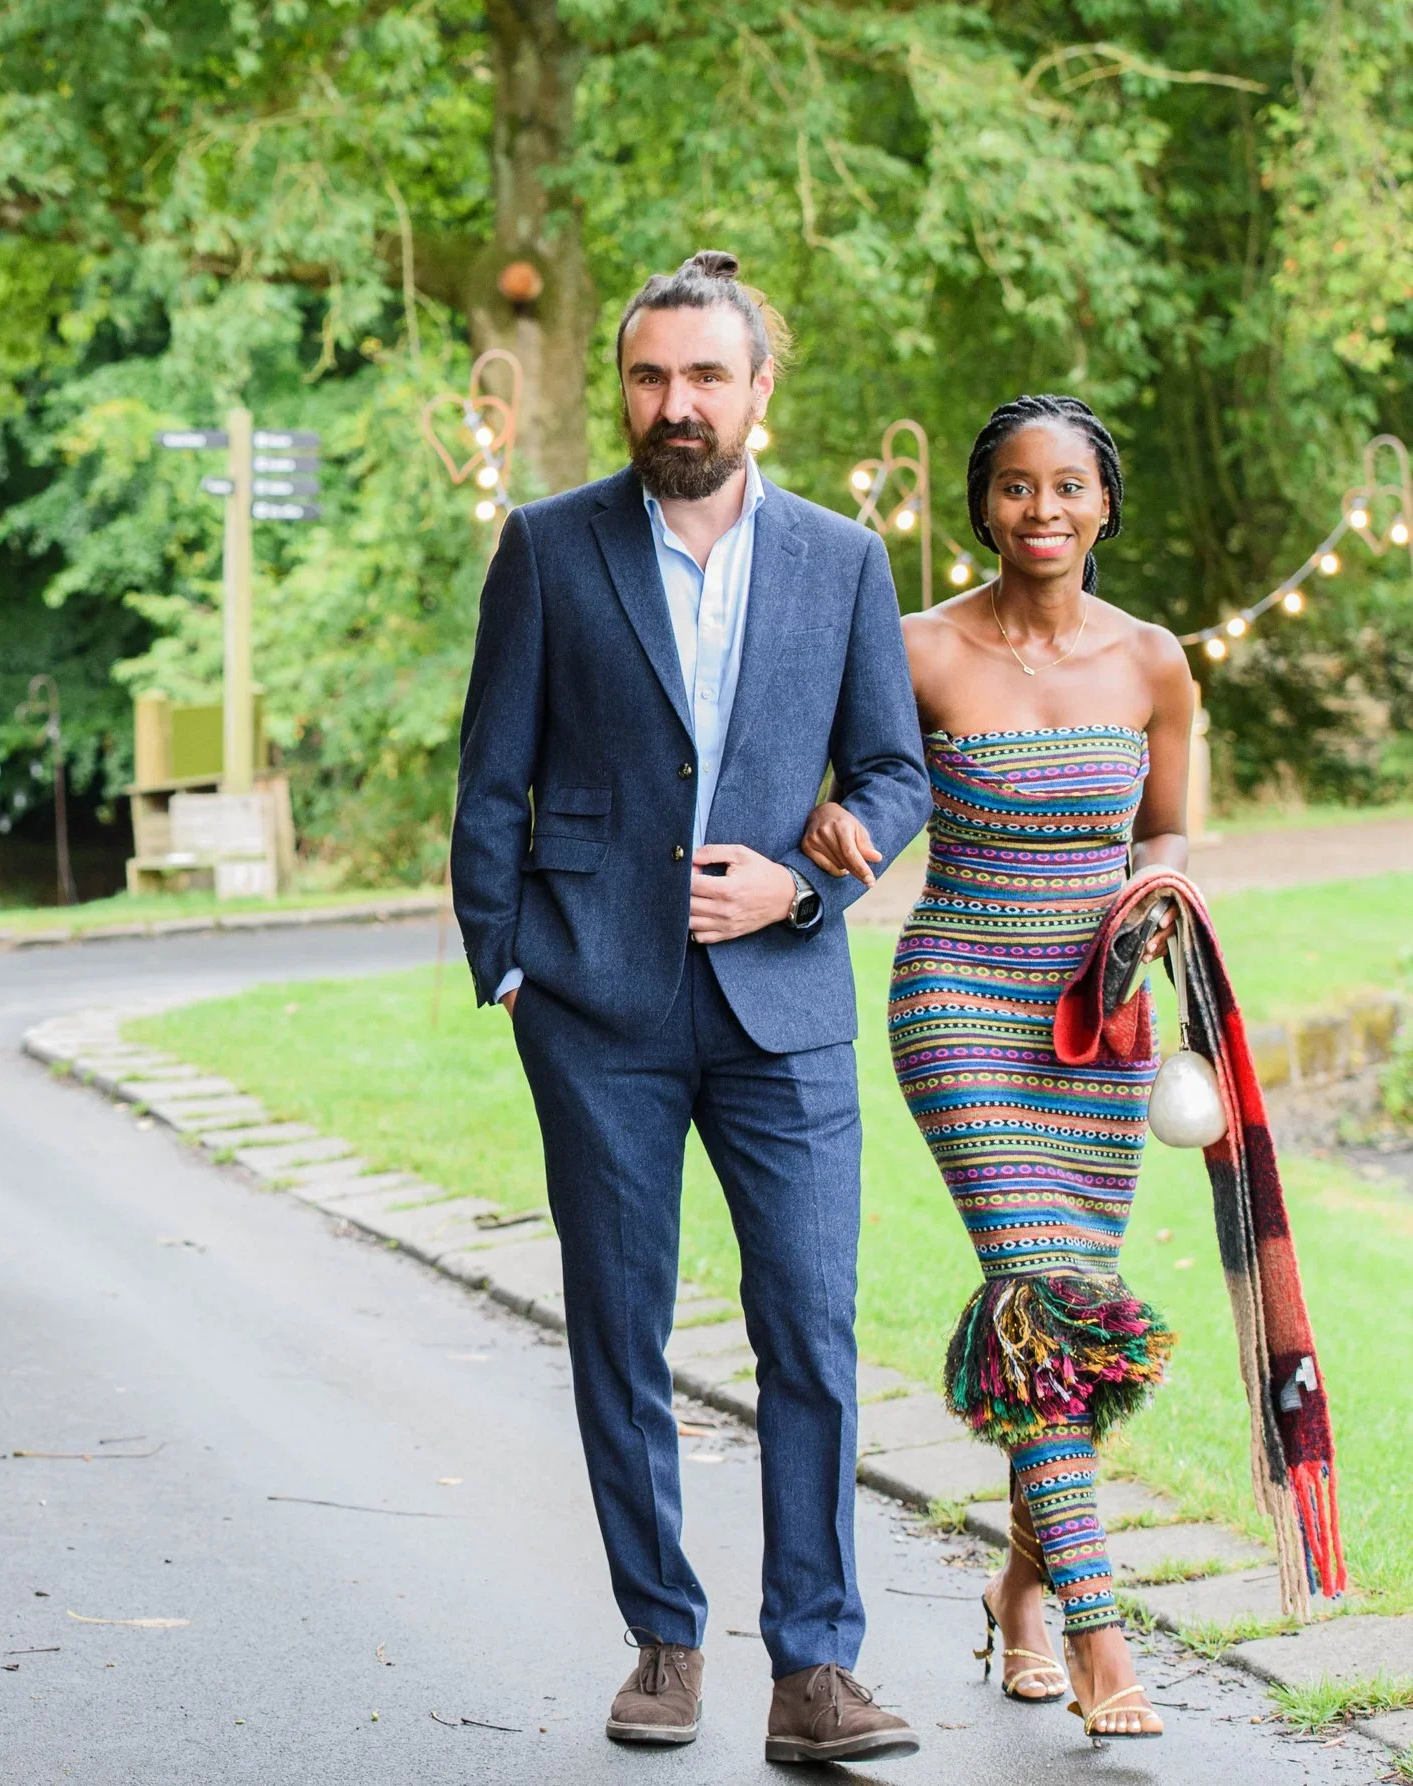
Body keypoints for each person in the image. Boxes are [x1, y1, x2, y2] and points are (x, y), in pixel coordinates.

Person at [452, 250, 930, 1765]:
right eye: (651, 377)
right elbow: (490, 773)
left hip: (783, 1004)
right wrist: (510, 959)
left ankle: (815, 1666)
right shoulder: (546, 545)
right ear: (626, 387)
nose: (677, 404)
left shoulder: (846, 561)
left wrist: (804, 885)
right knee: (619, 1323)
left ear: (760, 391)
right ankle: (663, 1637)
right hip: (594, 1004)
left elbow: (897, 772)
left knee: (811, 1328)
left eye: (706, 377)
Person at [800, 395, 1190, 1743]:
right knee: (1033, 1288)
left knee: (1076, 1307)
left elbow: (1172, 834)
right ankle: (1098, 1630)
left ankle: (1020, 1586)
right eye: (1017, 488)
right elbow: (832, 779)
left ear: (1103, 502)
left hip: (1100, 1023)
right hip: (960, 995)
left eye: (1068, 487)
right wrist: (827, 818)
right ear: (982, 504)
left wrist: (1158, 900)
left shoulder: (1154, 662)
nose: (1043, 511)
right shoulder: (914, 647)